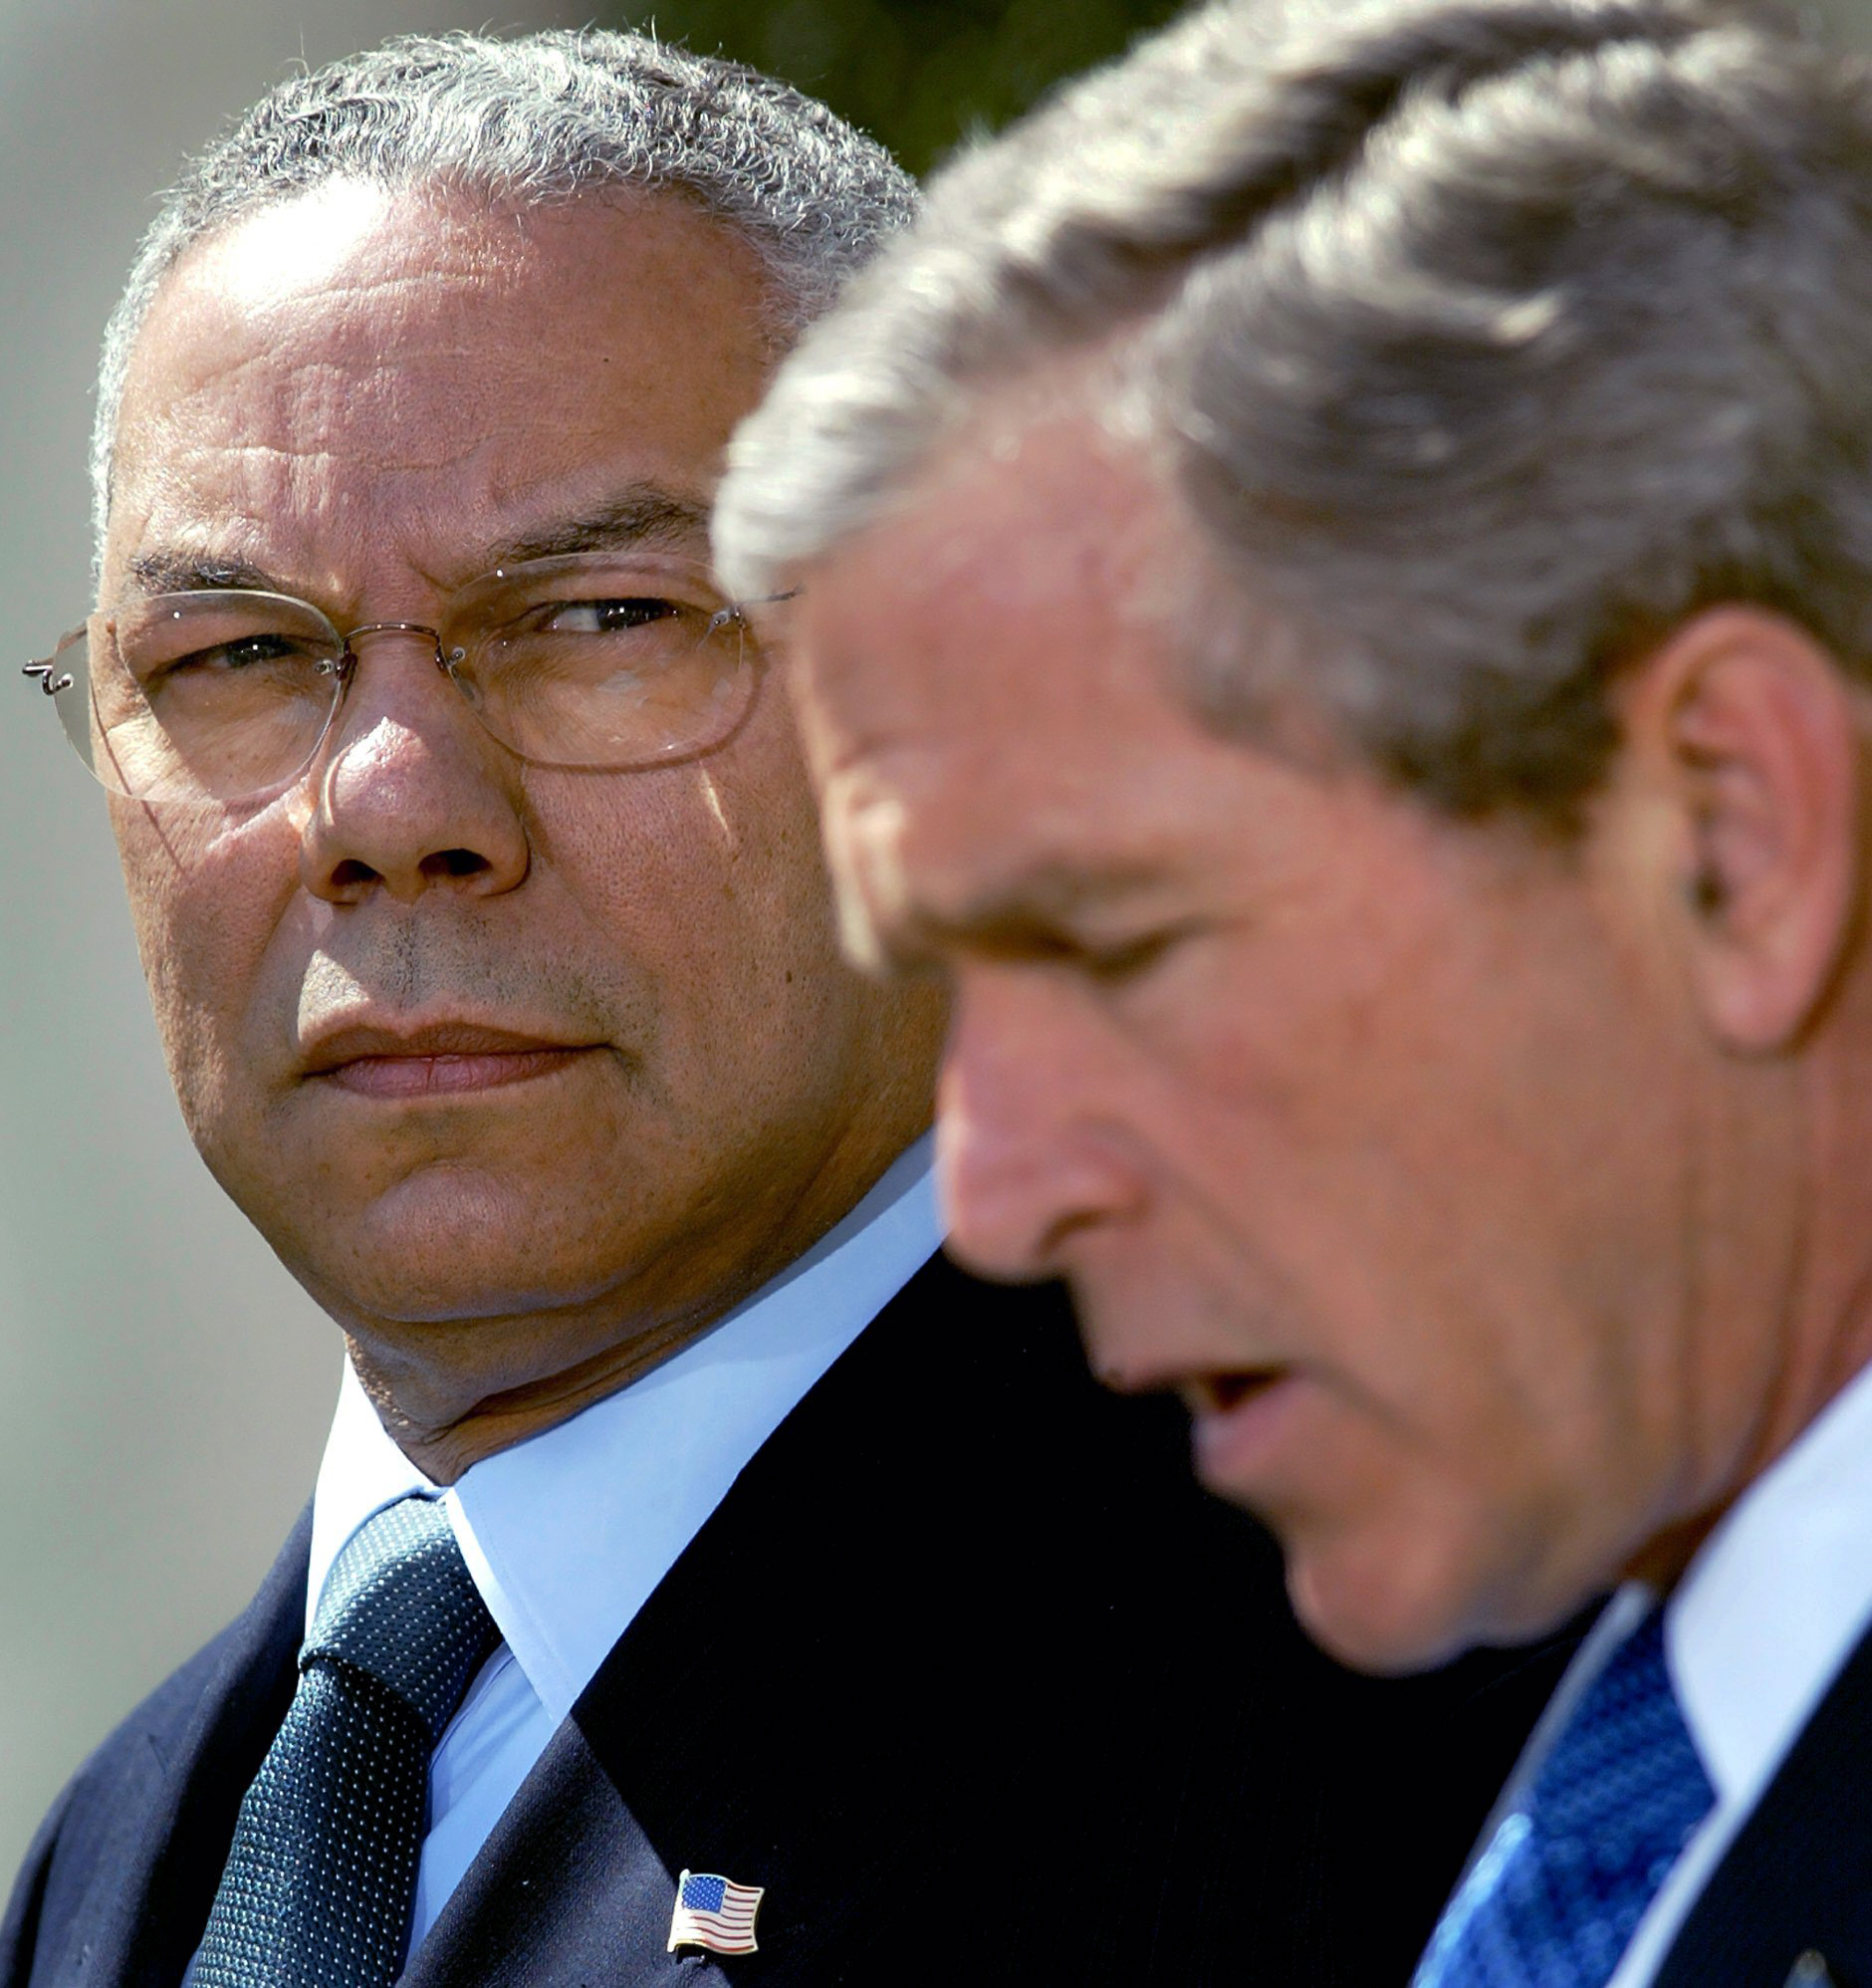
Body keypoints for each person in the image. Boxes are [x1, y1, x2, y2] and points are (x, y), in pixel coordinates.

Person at [1, 27, 1570, 1988]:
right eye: (237, 652)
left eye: (603, 619)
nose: (390, 808)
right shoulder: (127, 1861)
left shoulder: (1406, 1707)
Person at [713, 0, 1872, 1981]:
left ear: (1728, 829)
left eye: (1114, 939)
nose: (990, 1194)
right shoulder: (1575, 1769)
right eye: (954, 983)